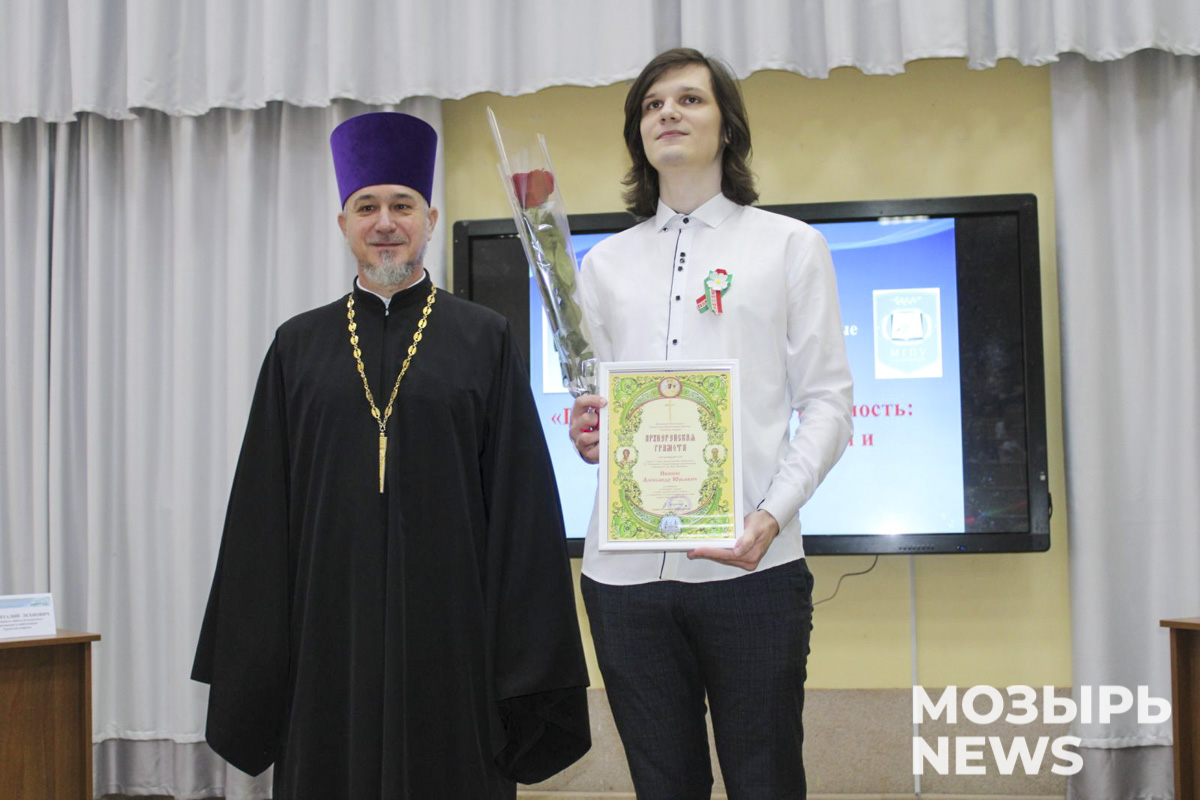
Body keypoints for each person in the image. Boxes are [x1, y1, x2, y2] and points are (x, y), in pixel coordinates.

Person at [193, 112, 590, 799]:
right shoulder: (297, 347)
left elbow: (520, 506)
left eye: (402, 206)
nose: (384, 223)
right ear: (342, 223)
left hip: (453, 635)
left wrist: (523, 659)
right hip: (326, 635)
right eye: (366, 207)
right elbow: (261, 513)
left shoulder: (485, 339)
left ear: (429, 220)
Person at [569, 49, 853, 798]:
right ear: (639, 134)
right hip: (622, 577)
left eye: (689, 99)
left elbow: (828, 402)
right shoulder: (602, 265)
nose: (668, 112)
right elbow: (601, 409)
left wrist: (771, 515)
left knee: (766, 781)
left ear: (727, 127)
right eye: (652, 104)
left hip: (753, 568)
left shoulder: (790, 246)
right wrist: (590, 432)